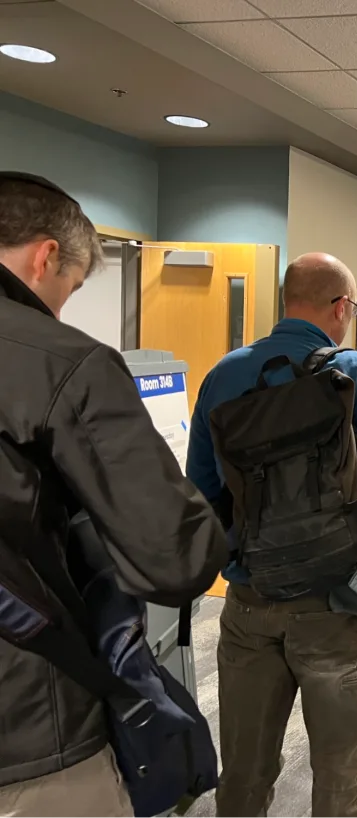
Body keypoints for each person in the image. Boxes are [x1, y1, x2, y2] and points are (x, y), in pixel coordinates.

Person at [0, 172, 229, 816]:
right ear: (46, 255)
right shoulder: (63, 360)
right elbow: (177, 557)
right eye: (70, 289)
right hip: (29, 717)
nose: (62, 309)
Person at [187, 253, 357, 818]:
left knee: (244, 769)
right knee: (341, 769)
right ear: (341, 307)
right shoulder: (353, 372)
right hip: (337, 601)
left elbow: (198, 487)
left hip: (250, 597)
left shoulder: (224, 374)